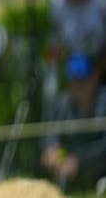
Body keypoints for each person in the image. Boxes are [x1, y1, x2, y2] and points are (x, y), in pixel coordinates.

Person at [40, 53, 106, 193]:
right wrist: (50, 148)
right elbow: (50, 134)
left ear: (95, 77)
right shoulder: (62, 104)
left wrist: (79, 161)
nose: (78, 86)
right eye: (73, 80)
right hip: (69, 181)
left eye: (83, 80)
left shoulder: (104, 102)